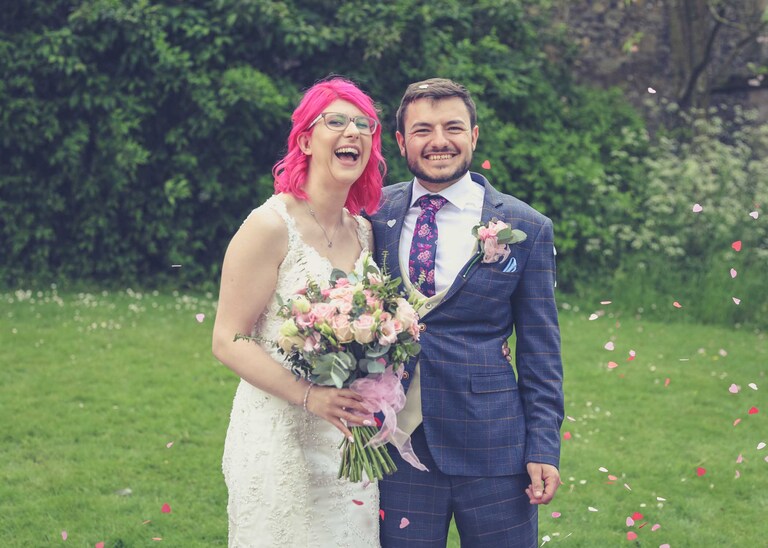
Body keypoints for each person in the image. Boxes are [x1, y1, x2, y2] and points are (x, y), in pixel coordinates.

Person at [370, 78, 564, 547]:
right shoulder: (372, 216)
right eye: (422, 130)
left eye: (453, 127)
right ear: (401, 142)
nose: (439, 141)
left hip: (495, 448)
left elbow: (541, 351)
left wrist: (543, 445)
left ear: (474, 135)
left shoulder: (527, 227)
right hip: (397, 448)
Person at [212, 77, 386, 547]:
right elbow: (228, 338)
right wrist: (309, 395)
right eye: (336, 121)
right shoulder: (270, 225)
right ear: (307, 140)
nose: (353, 132)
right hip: (279, 433)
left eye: (363, 124)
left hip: (346, 439)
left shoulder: (364, 232)